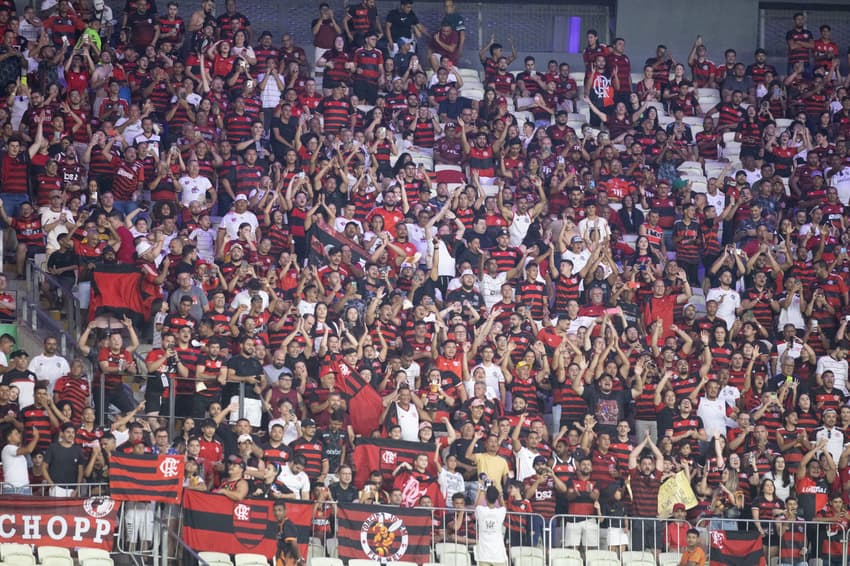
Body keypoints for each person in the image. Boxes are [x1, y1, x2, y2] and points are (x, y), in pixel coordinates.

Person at [475, 485, 508, 566]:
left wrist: (483, 489)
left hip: (484, 555)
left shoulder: (480, 510)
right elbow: (503, 506)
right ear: (496, 498)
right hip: (498, 555)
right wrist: (500, 496)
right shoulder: (501, 511)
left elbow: (477, 505)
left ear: (485, 498)